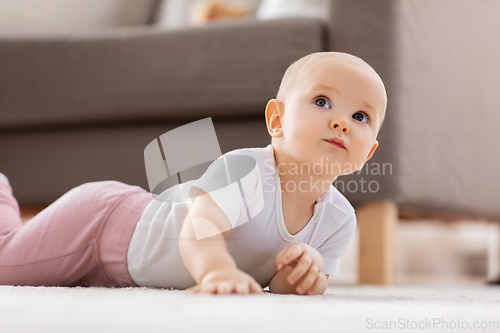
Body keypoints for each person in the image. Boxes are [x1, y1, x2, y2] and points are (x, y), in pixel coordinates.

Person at [0, 51, 387, 295]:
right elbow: (198, 230)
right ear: (277, 120)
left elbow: (279, 287)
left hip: (127, 272)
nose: (341, 122)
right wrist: (216, 271)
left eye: (360, 116)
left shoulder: (338, 220)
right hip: (103, 225)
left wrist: (306, 273)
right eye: (322, 101)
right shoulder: (247, 170)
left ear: (368, 153)